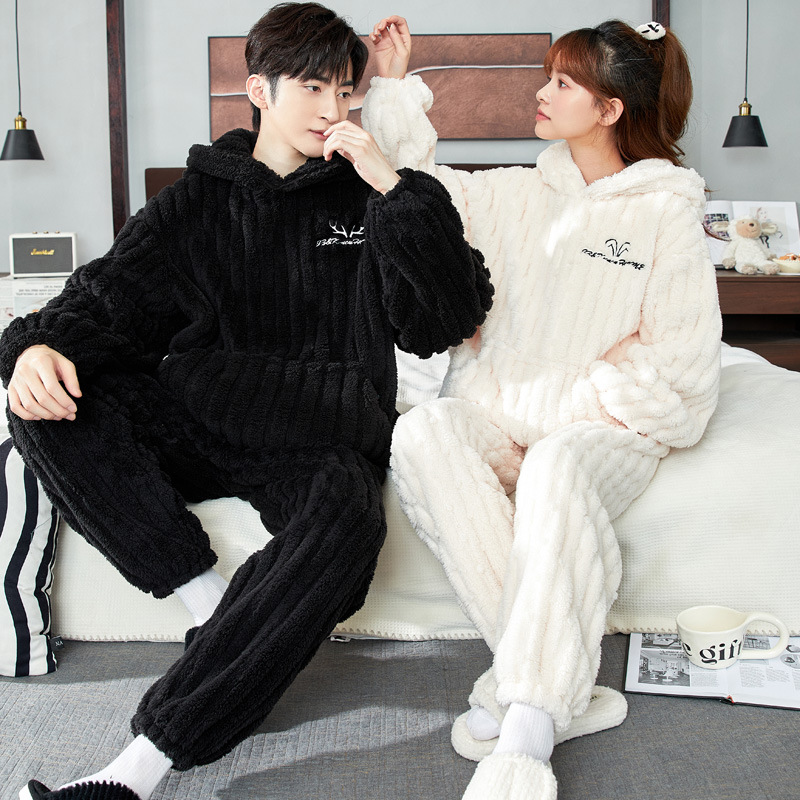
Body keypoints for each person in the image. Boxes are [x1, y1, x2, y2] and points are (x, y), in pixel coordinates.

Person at [1, 4, 492, 799]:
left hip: (322, 436)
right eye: (312, 88)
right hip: (202, 416)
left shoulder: (370, 195)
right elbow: (103, 300)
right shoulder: (195, 201)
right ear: (259, 89)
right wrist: (31, 348)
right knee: (41, 399)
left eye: (345, 91)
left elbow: (444, 320)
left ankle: (134, 772)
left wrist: (394, 187)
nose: (332, 110)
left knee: (348, 520)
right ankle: (208, 603)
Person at [364, 16, 721, 800]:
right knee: (423, 431)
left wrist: (577, 394)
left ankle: (526, 731)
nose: (542, 91)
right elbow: (420, 196)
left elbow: (684, 379)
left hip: (603, 432)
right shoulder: (519, 193)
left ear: (610, 110)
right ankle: (562, 686)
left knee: (557, 464)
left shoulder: (665, 213)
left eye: (563, 82)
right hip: (503, 415)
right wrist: (390, 86)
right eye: (548, 76)